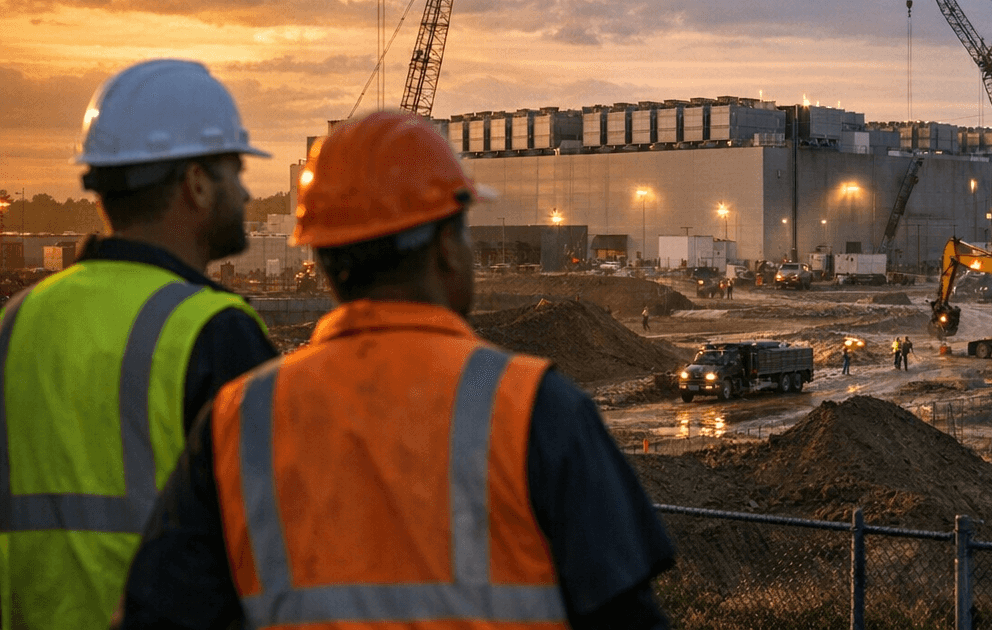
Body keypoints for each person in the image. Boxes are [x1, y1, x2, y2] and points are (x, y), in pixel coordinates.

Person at [117, 111, 675, 630]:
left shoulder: (242, 419)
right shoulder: (532, 406)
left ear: (324, 262)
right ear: (448, 250)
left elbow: (159, 613)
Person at [0, 59, 277, 630]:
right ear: (197, 183)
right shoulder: (214, 331)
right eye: (236, 170)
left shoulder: (17, 322)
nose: (246, 191)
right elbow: (276, 541)